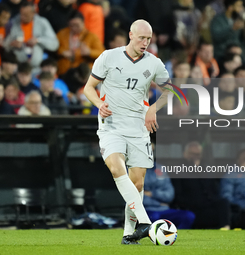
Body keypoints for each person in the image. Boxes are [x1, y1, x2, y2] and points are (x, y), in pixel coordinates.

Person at [83, 19, 171, 244]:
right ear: (130, 35)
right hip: (111, 125)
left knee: (138, 183)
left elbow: (170, 91)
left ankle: (129, 234)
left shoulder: (154, 63)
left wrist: (153, 108)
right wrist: (98, 104)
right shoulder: (108, 57)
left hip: (138, 127)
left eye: (149, 39)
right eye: (142, 38)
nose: (145, 43)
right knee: (115, 167)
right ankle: (145, 222)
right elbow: (88, 88)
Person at [173, 141, 231, 229]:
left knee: (223, 203)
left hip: (208, 207)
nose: (196, 157)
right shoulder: (178, 171)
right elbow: (177, 196)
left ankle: (225, 229)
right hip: (192, 209)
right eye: (193, 154)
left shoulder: (207, 169)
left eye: (198, 154)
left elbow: (215, 191)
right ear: (185, 154)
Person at [4, 1, 59, 72]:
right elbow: (4, 45)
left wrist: (38, 40)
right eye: (21, 14)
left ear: (33, 13)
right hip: (17, 68)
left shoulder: (42, 23)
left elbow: (55, 44)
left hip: (37, 69)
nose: (22, 17)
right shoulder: (13, 23)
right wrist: (11, 44)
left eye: (26, 15)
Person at [144, 161, 195, 229]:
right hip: (146, 210)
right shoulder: (132, 169)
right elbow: (136, 197)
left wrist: (151, 193)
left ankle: (176, 236)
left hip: (164, 209)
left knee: (189, 215)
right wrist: (159, 203)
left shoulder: (160, 168)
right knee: (154, 217)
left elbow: (170, 195)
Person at [56, 11, 105, 75]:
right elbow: (54, 48)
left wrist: (89, 52)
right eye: (71, 25)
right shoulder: (62, 34)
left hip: (83, 72)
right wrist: (62, 52)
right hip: (64, 71)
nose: (74, 28)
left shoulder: (91, 36)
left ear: (83, 23)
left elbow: (103, 54)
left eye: (77, 25)